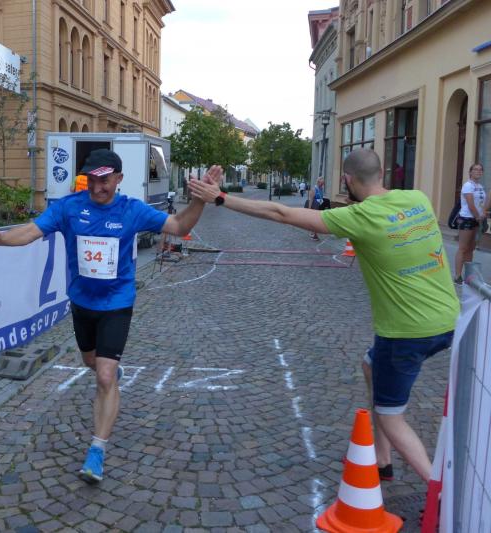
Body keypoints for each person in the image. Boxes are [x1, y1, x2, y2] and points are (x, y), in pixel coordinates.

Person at [194, 148, 458, 484]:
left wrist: (220, 197)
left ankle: (440, 493)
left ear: (347, 180)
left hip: (407, 333)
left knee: (391, 416)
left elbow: (281, 213)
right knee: (370, 365)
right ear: (382, 173)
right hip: (450, 319)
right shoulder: (418, 199)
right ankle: (382, 459)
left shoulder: (359, 217)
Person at [0, 149, 221, 484]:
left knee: (104, 375)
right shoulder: (69, 207)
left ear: (118, 179)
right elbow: (31, 232)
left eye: (105, 180)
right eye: (92, 179)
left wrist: (200, 200)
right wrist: (0, 239)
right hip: (82, 302)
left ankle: (97, 450)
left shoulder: (131, 210)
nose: (98, 187)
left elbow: (178, 225)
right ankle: (107, 370)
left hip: (117, 303)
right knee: (91, 361)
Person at [453, 163, 489, 284]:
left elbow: (481, 203)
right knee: (463, 248)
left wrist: (483, 214)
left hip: (477, 219)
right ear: (470, 172)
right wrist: (478, 216)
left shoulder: (480, 186)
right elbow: (470, 204)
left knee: (471, 248)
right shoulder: (468, 185)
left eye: (480, 170)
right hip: (467, 219)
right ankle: (457, 276)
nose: (478, 171)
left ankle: (468, 275)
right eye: (475, 169)